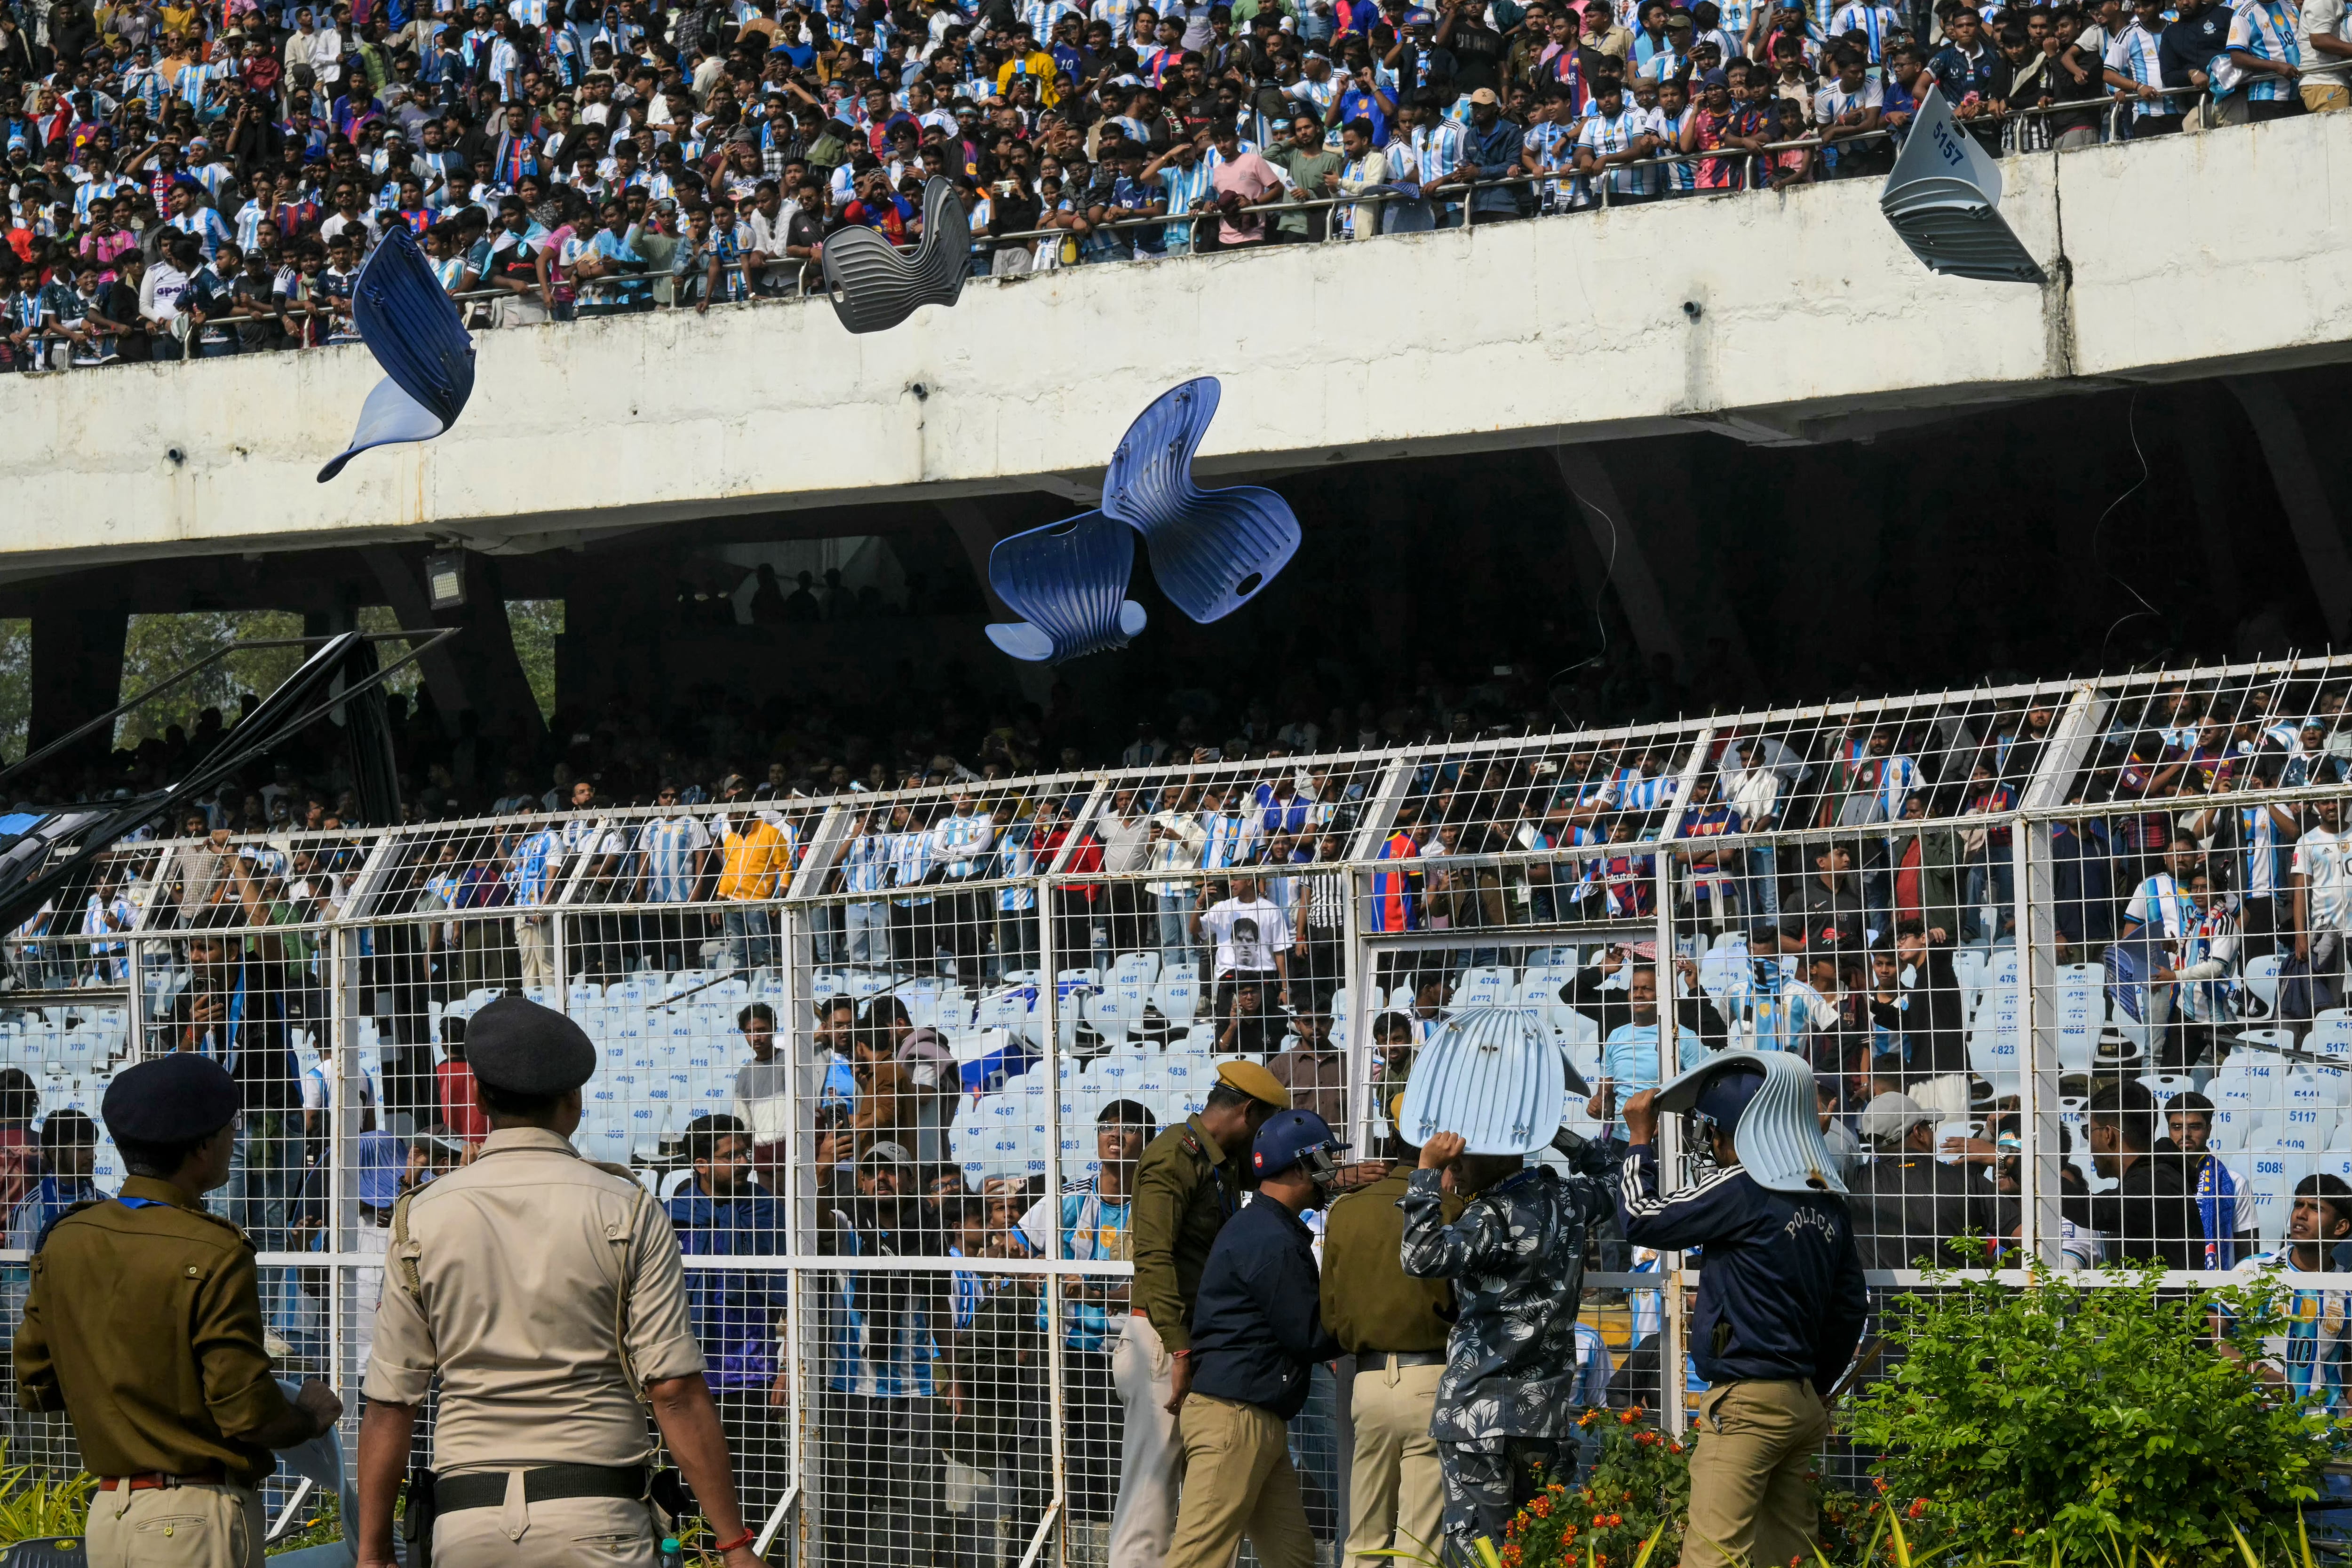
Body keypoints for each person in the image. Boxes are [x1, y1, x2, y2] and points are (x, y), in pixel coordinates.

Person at [353, 996, 767, 1568]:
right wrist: (733, 1542)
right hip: (598, 1516)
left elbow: (391, 1402)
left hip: (466, 1520)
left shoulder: (420, 1216)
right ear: (573, 1102)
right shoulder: (626, 1207)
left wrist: (373, 1550)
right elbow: (672, 1389)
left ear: (477, 1098)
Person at [16, 1053, 345, 1568]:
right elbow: (244, 1411)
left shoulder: (66, 1239)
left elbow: (35, 1384)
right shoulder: (213, 1250)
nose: (233, 1141)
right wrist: (307, 1416)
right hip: (193, 1517)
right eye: (228, 1129)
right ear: (202, 1147)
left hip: (109, 1514)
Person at [1617, 1055, 1868, 1568]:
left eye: (1714, 1131)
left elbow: (1640, 1219)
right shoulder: (1827, 1202)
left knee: (1712, 1554)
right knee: (1790, 1557)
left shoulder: (1743, 1187)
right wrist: (1815, 1386)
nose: (1710, 1143)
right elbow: (1848, 1308)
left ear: (1736, 1131)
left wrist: (1637, 1140)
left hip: (1746, 1405)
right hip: (1800, 1400)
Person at [1400, 1086, 1613, 1566]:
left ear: (1491, 1153)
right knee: (1538, 1551)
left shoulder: (1488, 1215)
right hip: (1543, 1415)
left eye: (1461, 1158)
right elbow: (1621, 1181)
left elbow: (1419, 1255)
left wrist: (1425, 1172)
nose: (1454, 1170)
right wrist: (1556, 1132)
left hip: (1476, 1412)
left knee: (1479, 1555)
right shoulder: (1568, 1199)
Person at [1119, 1059, 1292, 1568]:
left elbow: (1277, 1176)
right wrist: (1178, 1348)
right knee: (1148, 1506)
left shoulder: (1216, 1159)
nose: (1263, 1138)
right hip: (1162, 1340)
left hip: (1187, 1340)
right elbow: (1151, 1257)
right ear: (1247, 1111)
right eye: (1263, 1125)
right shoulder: (1174, 1155)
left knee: (1201, 1502)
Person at [1162, 1108, 1347, 1568]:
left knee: (1292, 1558)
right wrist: (1367, 1319)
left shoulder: (1267, 1227)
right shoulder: (1270, 1237)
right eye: (1323, 1160)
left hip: (1255, 1422)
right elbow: (1307, 1334)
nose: (1331, 1173)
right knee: (1196, 1559)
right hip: (1235, 1422)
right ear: (1297, 1166)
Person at [1320, 1100, 1457, 1568]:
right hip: (1432, 1377)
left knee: (1362, 1540)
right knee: (1418, 1547)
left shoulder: (1345, 1210)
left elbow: (1332, 1315)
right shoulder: (1455, 1208)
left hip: (1368, 1380)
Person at [1017, 1099, 1155, 1539]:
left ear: (1147, 1142)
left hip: (1124, 1353)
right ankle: (1029, 1548)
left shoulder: (1156, 1208)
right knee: (1040, 1457)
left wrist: (1095, 1291)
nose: (1117, 1135)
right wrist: (1030, 1269)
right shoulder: (1068, 1200)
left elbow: (1159, 1285)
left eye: (1130, 1128)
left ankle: (1094, 1550)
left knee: (1107, 1461)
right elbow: (1014, 1251)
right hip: (1057, 1347)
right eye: (1107, 1127)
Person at [664, 1113, 791, 1527]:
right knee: (688, 1490)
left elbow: (794, 1296)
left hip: (751, 1374)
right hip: (686, 1374)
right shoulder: (671, 1215)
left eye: (745, 1152)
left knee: (755, 1490)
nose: (744, 1162)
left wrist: (788, 1367)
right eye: (730, 1155)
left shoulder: (768, 1211)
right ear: (700, 1164)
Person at [2232, 1173, 2352, 1412]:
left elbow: (2347, 1359)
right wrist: (2258, 1371)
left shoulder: (2347, 1290)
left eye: (2315, 1208)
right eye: (2298, 1205)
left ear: (2340, 1227)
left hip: (2322, 1433)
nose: (2300, 1214)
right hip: (2252, 1427)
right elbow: (2209, 1337)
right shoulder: (2254, 1270)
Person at [1842, 1092, 1996, 1270]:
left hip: (1884, 1297)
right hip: (1960, 1298)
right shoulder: (1966, 1183)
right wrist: (2004, 1158)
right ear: (1919, 1133)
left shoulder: (1852, 1183)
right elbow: (2024, 1235)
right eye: (1929, 1126)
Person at [2085, 1077, 2201, 1267]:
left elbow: (2095, 1211)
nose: (2089, 1144)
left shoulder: (2154, 1181)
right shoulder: (2157, 1174)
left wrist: (2032, 1175)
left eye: (2088, 1131)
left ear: (2108, 1134)